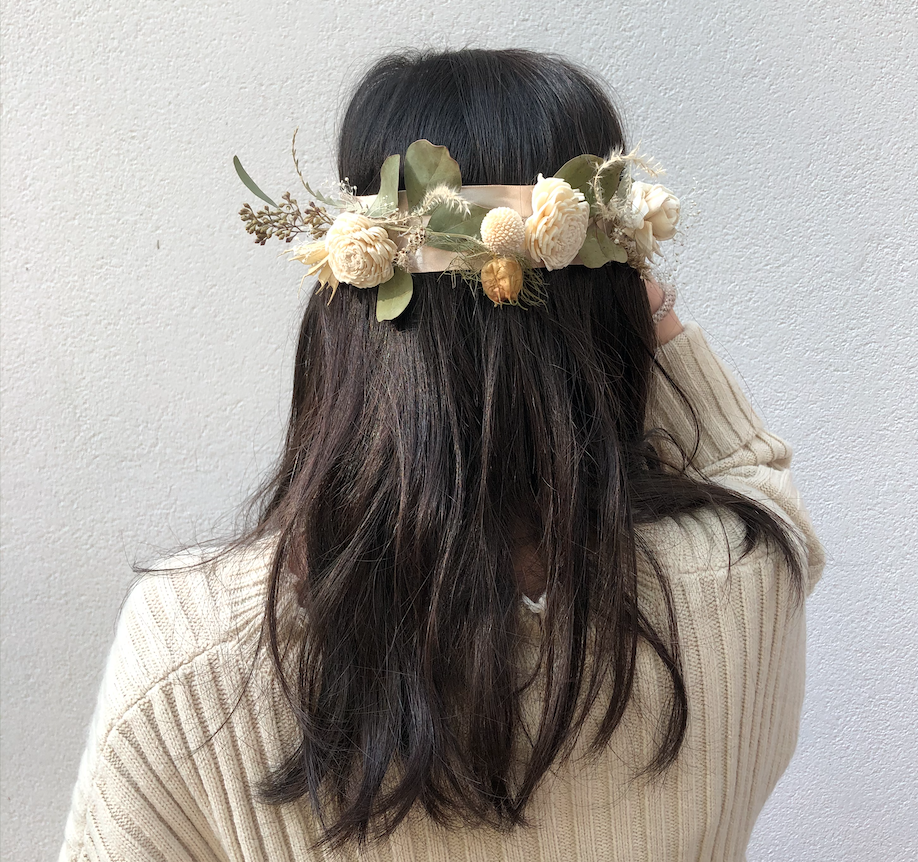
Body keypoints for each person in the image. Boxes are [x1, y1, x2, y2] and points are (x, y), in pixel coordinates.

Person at [59, 48, 825, 862]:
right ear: (616, 308)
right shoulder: (744, 583)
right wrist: (657, 322)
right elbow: (752, 472)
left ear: (346, 311)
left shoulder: (193, 651)